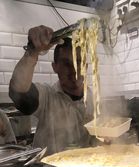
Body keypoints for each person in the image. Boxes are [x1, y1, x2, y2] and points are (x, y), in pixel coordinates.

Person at [9, 25, 96, 156]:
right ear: (55, 67)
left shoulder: (93, 99)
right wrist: (32, 51)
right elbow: (19, 92)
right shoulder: (48, 96)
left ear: (86, 66)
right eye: (67, 64)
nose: (74, 71)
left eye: (78, 62)